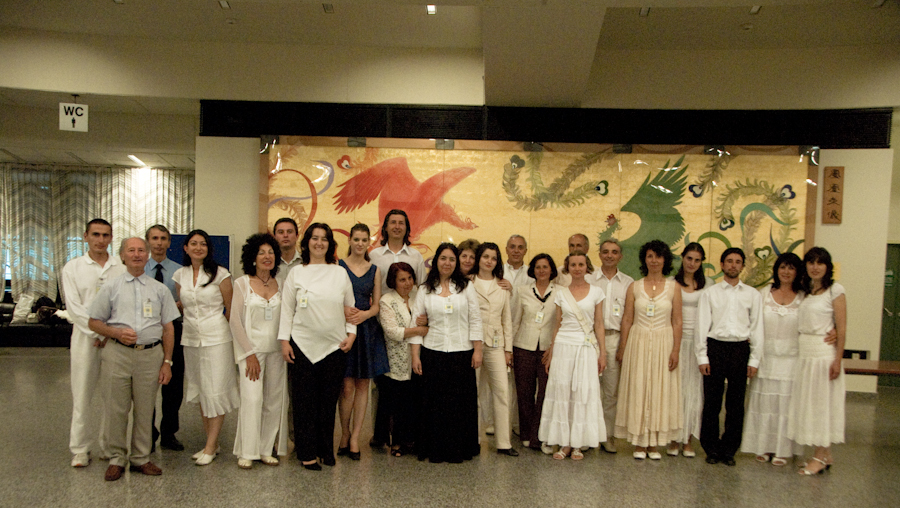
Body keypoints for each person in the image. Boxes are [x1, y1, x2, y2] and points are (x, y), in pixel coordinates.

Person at [87, 237, 179, 481]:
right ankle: (117, 458)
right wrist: (116, 333)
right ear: (122, 256)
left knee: (146, 409)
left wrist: (167, 362)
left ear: (147, 256)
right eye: (131, 250)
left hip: (150, 355)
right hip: (117, 354)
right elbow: (93, 321)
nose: (137, 254)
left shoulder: (159, 289)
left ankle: (140, 458)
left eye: (141, 250)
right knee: (116, 408)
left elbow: (168, 328)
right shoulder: (111, 287)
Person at [278, 223, 357, 471]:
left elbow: (350, 308)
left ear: (330, 244)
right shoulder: (296, 273)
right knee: (304, 403)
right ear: (307, 242)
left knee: (328, 403)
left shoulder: (339, 273)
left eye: (324, 239)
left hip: (334, 347)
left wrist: (352, 335)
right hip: (302, 345)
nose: (319, 243)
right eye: (314, 238)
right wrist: (284, 341)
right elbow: (287, 310)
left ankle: (325, 450)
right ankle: (307, 453)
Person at [410, 243, 483, 463]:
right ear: (436, 261)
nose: (447, 263)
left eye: (452, 259)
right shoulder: (425, 289)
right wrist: (415, 355)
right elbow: (416, 322)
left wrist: (477, 350)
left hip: (462, 352)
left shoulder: (466, 287)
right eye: (443, 258)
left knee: (459, 405)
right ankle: (434, 448)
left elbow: (475, 319)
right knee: (435, 404)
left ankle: (459, 448)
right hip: (433, 352)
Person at [61, 218, 125, 467]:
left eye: (105, 235)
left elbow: (124, 305)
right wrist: (98, 333)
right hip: (85, 338)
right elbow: (74, 308)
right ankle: (80, 449)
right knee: (82, 394)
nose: (101, 240)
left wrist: (110, 333)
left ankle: (108, 446)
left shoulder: (120, 267)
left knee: (113, 397)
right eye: (96, 234)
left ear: (111, 238)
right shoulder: (73, 268)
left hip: (114, 340)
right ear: (85, 236)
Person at [174, 229, 240, 466]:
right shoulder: (179, 275)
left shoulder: (221, 274)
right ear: (186, 248)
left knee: (215, 390)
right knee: (202, 390)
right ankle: (212, 442)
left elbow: (231, 309)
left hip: (217, 338)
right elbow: (182, 305)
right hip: (191, 339)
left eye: (203, 244)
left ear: (208, 249)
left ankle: (211, 446)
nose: (198, 247)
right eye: (193, 243)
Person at [614, 240, 683, 460]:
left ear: (665, 260)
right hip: (638, 341)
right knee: (639, 388)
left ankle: (654, 444)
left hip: (664, 342)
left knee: (660, 389)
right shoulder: (634, 286)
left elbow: (677, 321)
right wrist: (623, 347)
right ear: (644, 259)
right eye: (650, 256)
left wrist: (676, 350)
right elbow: (627, 319)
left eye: (659, 256)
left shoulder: (674, 288)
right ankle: (639, 442)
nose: (654, 260)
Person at [696, 247, 764, 467]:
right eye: (729, 261)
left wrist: (754, 360)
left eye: (737, 262)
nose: (733, 265)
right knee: (712, 402)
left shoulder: (752, 295)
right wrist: (702, 357)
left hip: (740, 350)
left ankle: (729, 449)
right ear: (722, 264)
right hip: (715, 348)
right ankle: (711, 447)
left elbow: (757, 328)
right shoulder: (710, 293)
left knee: (736, 404)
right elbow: (701, 326)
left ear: (742, 266)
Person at [538, 251, 607, 460]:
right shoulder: (561, 293)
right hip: (563, 346)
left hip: (585, 347)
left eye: (581, 264)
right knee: (563, 393)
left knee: (582, 393)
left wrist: (602, 353)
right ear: (567, 268)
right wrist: (551, 351)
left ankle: (578, 443)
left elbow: (599, 324)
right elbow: (557, 324)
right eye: (573, 265)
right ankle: (565, 443)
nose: (577, 268)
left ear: (587, 267)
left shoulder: (597, 292)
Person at [230, 233, 288, 469]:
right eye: (262, 252)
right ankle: (247, 451)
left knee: (273, 401)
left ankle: (265, 449)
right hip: (251, 352)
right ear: (252, 257)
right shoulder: (242, 283)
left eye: (271, 252)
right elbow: (235, 321)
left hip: (277, 352)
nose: (267, 256)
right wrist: (249, 354)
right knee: (252, 399)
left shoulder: (281, 284)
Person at [787, 247, 846, 475]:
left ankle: (819, 457)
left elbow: (842, 328)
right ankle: (826, 454)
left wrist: (837, 359)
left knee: (822, 406)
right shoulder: (807, 291)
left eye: (820, 263)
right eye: (811, 262)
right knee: (811, 405)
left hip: (823, 356)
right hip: (806, 354)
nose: (815, 267)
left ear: (827, 266)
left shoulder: (835, 290)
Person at [338, 224, 389, 460]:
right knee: (346, 386)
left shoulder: (374, 270)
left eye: (364, 240)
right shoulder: (338, 266)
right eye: (356, 239)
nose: (360, 244)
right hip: (344, 328)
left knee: (362, 386)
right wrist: (346, 313)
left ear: (369, 242)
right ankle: (344, 433)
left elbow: (376, 304)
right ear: (349, 240)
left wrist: (365, 314)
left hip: (367, 329)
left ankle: (356, 437)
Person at [375, 262, 428, 456]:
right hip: (395, 360)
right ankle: (396, 442)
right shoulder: (387, 300)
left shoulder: (419, 295)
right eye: (402, 280)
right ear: (393, 281)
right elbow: (393, 332)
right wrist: (419, 329)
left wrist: (426, 324)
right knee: (396, 404)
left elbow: (433, 320)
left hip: (420, 357)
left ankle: (413, 440)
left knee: (415, 402)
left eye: (410, 278)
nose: (407, 283)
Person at [472, 242, 518, 456]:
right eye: (485, 256)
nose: (489, 261)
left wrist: (508, 350)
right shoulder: (468, 283)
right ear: (478, 258)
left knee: (501, 391)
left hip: (496, 345)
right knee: (474, 392)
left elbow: (507, 319)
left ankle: (504, 443)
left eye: (493, 258)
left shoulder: (502, 286)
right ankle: (474, 439)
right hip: (473, 344)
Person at [589, 238, 634, 454]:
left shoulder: (628, 283)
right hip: (590, 339)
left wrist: (623, 346)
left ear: (620, 256)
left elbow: (628, 317)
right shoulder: (589, 279)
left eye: (614, 252)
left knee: (610, 391)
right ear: (599, 254)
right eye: (605, 251)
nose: (609, 255)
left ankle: (607, 435)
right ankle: (588, 435)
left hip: (615, 338)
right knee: (589, 389)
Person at [670, 242, 713, 457]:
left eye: (697, 260)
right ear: (682, 258)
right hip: (675, 341)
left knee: (694, 392)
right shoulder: (671, 283)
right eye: (689, 258)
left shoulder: (709, 285)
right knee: (675, 391)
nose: (692, 263)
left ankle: (687, 439)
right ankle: (673, 438)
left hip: (699, 344)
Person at [145, 224, 186, 452]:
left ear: (169, 243)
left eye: (163, 238)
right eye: (154, 238)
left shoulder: (179, 271)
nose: (159, 243)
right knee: (147, 385)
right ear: (148, 241)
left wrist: (180, 305)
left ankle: (169, 433)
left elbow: (186, 300)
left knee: (174, 385)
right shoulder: (140, 269)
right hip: (148, 331)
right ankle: (147, 434)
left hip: (174, 329)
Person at [511, 253, 557, 453]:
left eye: (545, 267)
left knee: (545, 393)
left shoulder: (560, 292)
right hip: (524, 346)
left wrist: (554, 347)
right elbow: (515, 321)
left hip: (548, 349)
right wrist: (509, 349)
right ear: (533, 270)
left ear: (551, 269)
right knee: (524, 392)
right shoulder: (522, 291)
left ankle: (540, 435)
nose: (541, 270)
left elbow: (561, 322)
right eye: (538, 267)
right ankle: (526, 433)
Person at [370, 209, 427, 294]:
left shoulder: (416, 256)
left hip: (411, 302)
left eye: (401, 223)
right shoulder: (374, 256)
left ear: (406, 228)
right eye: (393, 222)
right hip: (382, 302)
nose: (397, 227)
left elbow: (423, 287)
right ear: (386, 227)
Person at [273, 217, 302, 289]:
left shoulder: (306, 261)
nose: (285, 235)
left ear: (297, 236)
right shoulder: (269, 263)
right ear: (274, 237)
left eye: (289, 232)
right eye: (281, 232)